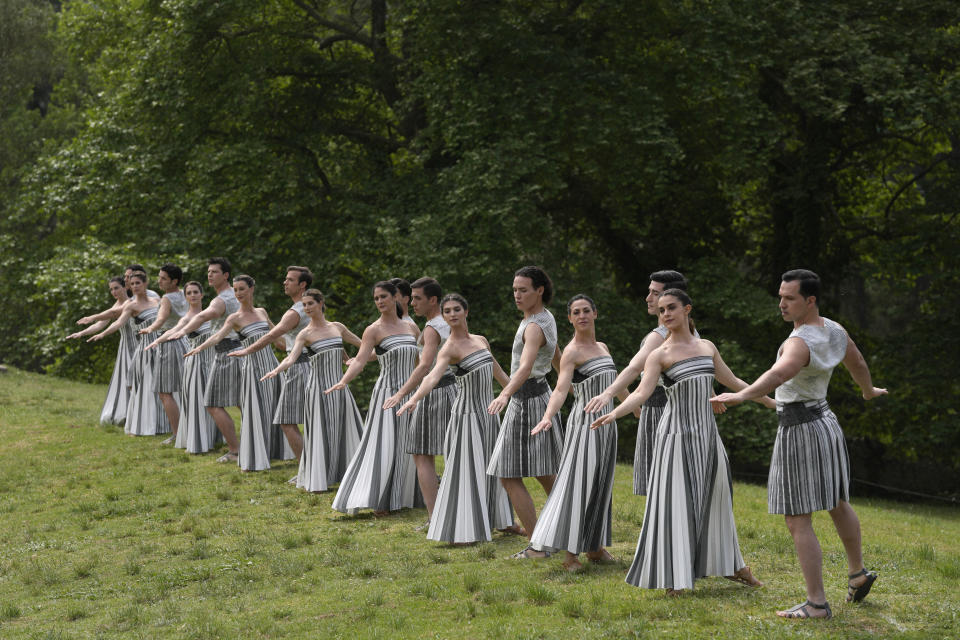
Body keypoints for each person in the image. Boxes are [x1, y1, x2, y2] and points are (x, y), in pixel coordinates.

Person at [710, 269, 886, 620]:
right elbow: (858, 361)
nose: (782, 304)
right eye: (780, 296)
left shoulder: (799, 341)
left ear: (810, 300)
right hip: (825, 421)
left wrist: (741, 395)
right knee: (836, 500)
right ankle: (857, 573)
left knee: (797, 517)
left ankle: (817, 604)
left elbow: (780, 373)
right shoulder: (834, 329)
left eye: (790, 298)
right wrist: (868, 391)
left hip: (800, 428)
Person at [592, 288, 769, 594]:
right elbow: (642, 392)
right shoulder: (659, 355)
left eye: (671, 308)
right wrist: (615, 412)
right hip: (674, 437)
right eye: (661, 310)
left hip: (708, 437)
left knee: (718, 500)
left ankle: (734, 566)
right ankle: (674, 575)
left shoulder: (707, 347)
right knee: (676, 505)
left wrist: (770, 401)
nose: (666, 314)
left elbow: (734, 382)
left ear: (688, 309)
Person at [397, 293, 514, 543]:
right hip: (466, 417)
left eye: (456, 309)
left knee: (492, 469)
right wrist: (414, 398)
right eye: (447, 311)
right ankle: (464, 528)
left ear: (466, 312)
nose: (452, 314)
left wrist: (515, 394)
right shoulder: (449, 347)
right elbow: (432, 376)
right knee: (466, 471)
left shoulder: (481, 341)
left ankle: (501, 521)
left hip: (489, 415)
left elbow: (499, 373)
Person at [526, 294, 621, 570]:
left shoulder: (603, 347)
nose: (582, 316)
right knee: (578, 486)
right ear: (569, 318)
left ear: (595, 313)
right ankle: (570, 556)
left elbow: (614, 384)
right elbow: (560, 389)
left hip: (607, 426)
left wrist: (633, 407)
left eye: (586, 311)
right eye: (576, 312)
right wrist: (547, 416)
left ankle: (594, 546)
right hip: (584, 427)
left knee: (601, 484)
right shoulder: (571, 352)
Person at [584, 270, 691, 496]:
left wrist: (608, 394)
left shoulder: (659, 336)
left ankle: (661, 529)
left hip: (661, 410)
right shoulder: (691, 331)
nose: (648, 298)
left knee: (660, 482)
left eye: (655, 293)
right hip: (684, 409)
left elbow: (633, 368)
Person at [487, 266, 564, 553]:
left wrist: (505, 393)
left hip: (528, 401)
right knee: (545, 474)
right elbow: (558, 357)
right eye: (515, 290)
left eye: (523, 290)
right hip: (538, 396)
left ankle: (539, 544)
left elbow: (526, 367)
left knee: (508, 474)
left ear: (539, 290)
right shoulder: (543, 318)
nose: (517, 295)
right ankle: (565, 534)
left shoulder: (534, 326)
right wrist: (567, 382)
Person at [328, 281, 421, 515]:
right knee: (383, 444)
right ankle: (378, 499)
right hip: (387, 393)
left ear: (395, 299)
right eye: (376, 298)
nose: (379, 301)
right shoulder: (373, 330)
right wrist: (344, 380)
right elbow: (360, 360)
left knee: (408, 445)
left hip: (411, 394)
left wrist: (422, 392)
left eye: (383, 297)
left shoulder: (412, 328)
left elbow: (422, 364)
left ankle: (404, 496)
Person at [262, 289, 364, 492]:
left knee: (345, 429)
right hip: (316, 389)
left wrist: (353, 360)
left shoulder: (338, 328)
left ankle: (350, 476)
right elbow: (290, 358)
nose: (307, 308)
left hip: (340, 386)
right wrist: (276, 370)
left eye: (310, 303)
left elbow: (364, 345)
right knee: (319, 432)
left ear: (321, 303)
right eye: (304, 304)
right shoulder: (305, 334)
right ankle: (318, 479)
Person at [183, 275, 289, 471]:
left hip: (270, 364)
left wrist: (293, 348)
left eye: (242, 289)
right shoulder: (234, 318)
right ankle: (251, 453)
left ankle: (276, 450)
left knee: (272, 408)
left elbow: (278, 338)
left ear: (251, 289)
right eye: (235, 290)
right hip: (251, 366)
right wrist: (199, 348)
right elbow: (217, 336)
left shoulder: (262, 312)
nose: (238, 293)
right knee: (255, 409)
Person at [383, 277, 456, 527]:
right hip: (451, 389)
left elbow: (425, 366)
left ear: (433, 300)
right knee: (449, 452)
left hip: (432, 393)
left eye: (417, 298)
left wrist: (402, 393)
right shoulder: (448, 322)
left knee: (421, 454)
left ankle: (436, 517)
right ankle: (451, 512)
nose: (411, 302)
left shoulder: (432, 328)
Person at [229, 266, 314, 470]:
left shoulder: (296, 311)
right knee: (310, 418)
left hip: (300, 367)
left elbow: (272, 336)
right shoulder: (312, 306)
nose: (285, 282)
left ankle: (307, 470)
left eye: (290, 280)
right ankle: (313, 468)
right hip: (307, 363)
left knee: (287, 420)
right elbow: (282, 342)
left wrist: (246, 350)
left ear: (302, 285)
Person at [160, 258, 242, 462]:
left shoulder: (221, 299)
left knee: (213, 403)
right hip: (237, 350)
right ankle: (250, 445)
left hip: (227, 354)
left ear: (225, 275)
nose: (210, 275)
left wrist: (182, 331)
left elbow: (204, 316)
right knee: (243, 403)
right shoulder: (235, 294)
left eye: (214, 272)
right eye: (209, 272)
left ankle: (235, 450)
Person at [88, 271, 169, 436]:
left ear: (145, 283)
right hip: (143, 350)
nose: (135, 287)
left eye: (138, 283)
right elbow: (115, 319)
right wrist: (101, 331)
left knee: (161, 387)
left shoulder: (157, 301)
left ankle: (163, 424)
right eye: (132, 284)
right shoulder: (131, 305)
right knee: (136, 385)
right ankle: (138, 423)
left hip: (160, 346)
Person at [156, 281, 221, 453]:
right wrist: (157, 339)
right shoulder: (186, 318)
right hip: (196, 361)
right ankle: (198, 440)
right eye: (189, 293)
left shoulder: (211, 314)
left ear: (201, 294)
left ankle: (213, 437)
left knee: (214, 400)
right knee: (198, 399)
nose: (192, 295)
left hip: (213, 359)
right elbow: (174, 330)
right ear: (185, 297)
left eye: (195, 292)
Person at [136, 264, 189, 444]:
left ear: (174, 281)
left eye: (163, 278)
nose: (159, 280)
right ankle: (191, 431)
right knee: (185, 389)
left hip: (169, 344)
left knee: (165, 392)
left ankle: (177, 434)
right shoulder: (184, 293)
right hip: (184, 341)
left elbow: (161, 318)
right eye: (159, 277)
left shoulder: (166, 298)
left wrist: (150, 328)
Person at [66, 276, 130, 425]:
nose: (114, 292)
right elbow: (100, 324)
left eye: (116, 288)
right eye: (111, 289)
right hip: (125, 346)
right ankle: (126, 414)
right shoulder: (115, 305)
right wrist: (81, 333)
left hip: (139, 344)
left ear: (125, 287)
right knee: (125, 380)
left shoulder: (131, 303)